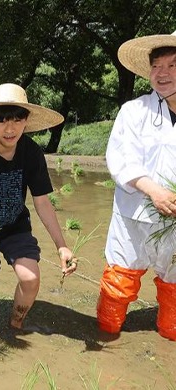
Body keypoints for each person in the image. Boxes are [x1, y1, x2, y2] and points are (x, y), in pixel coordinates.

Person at [0, 83, 75, 332]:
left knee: (30, 279)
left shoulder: (31, 153)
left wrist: (62, 246)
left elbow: (42, 202)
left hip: (15, 226)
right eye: (1, 121)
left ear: (26, 121)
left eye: (17, 120)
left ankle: (15, 325)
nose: (10, 129)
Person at [97, 31, 176, 341]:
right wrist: (154, 190)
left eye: (172, 65)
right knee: (119, 286)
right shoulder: (134, 111)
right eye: (156, 66)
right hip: (133, 218)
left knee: (174, 290)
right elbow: (121, 159)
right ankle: (107, 337)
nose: (162, 73)